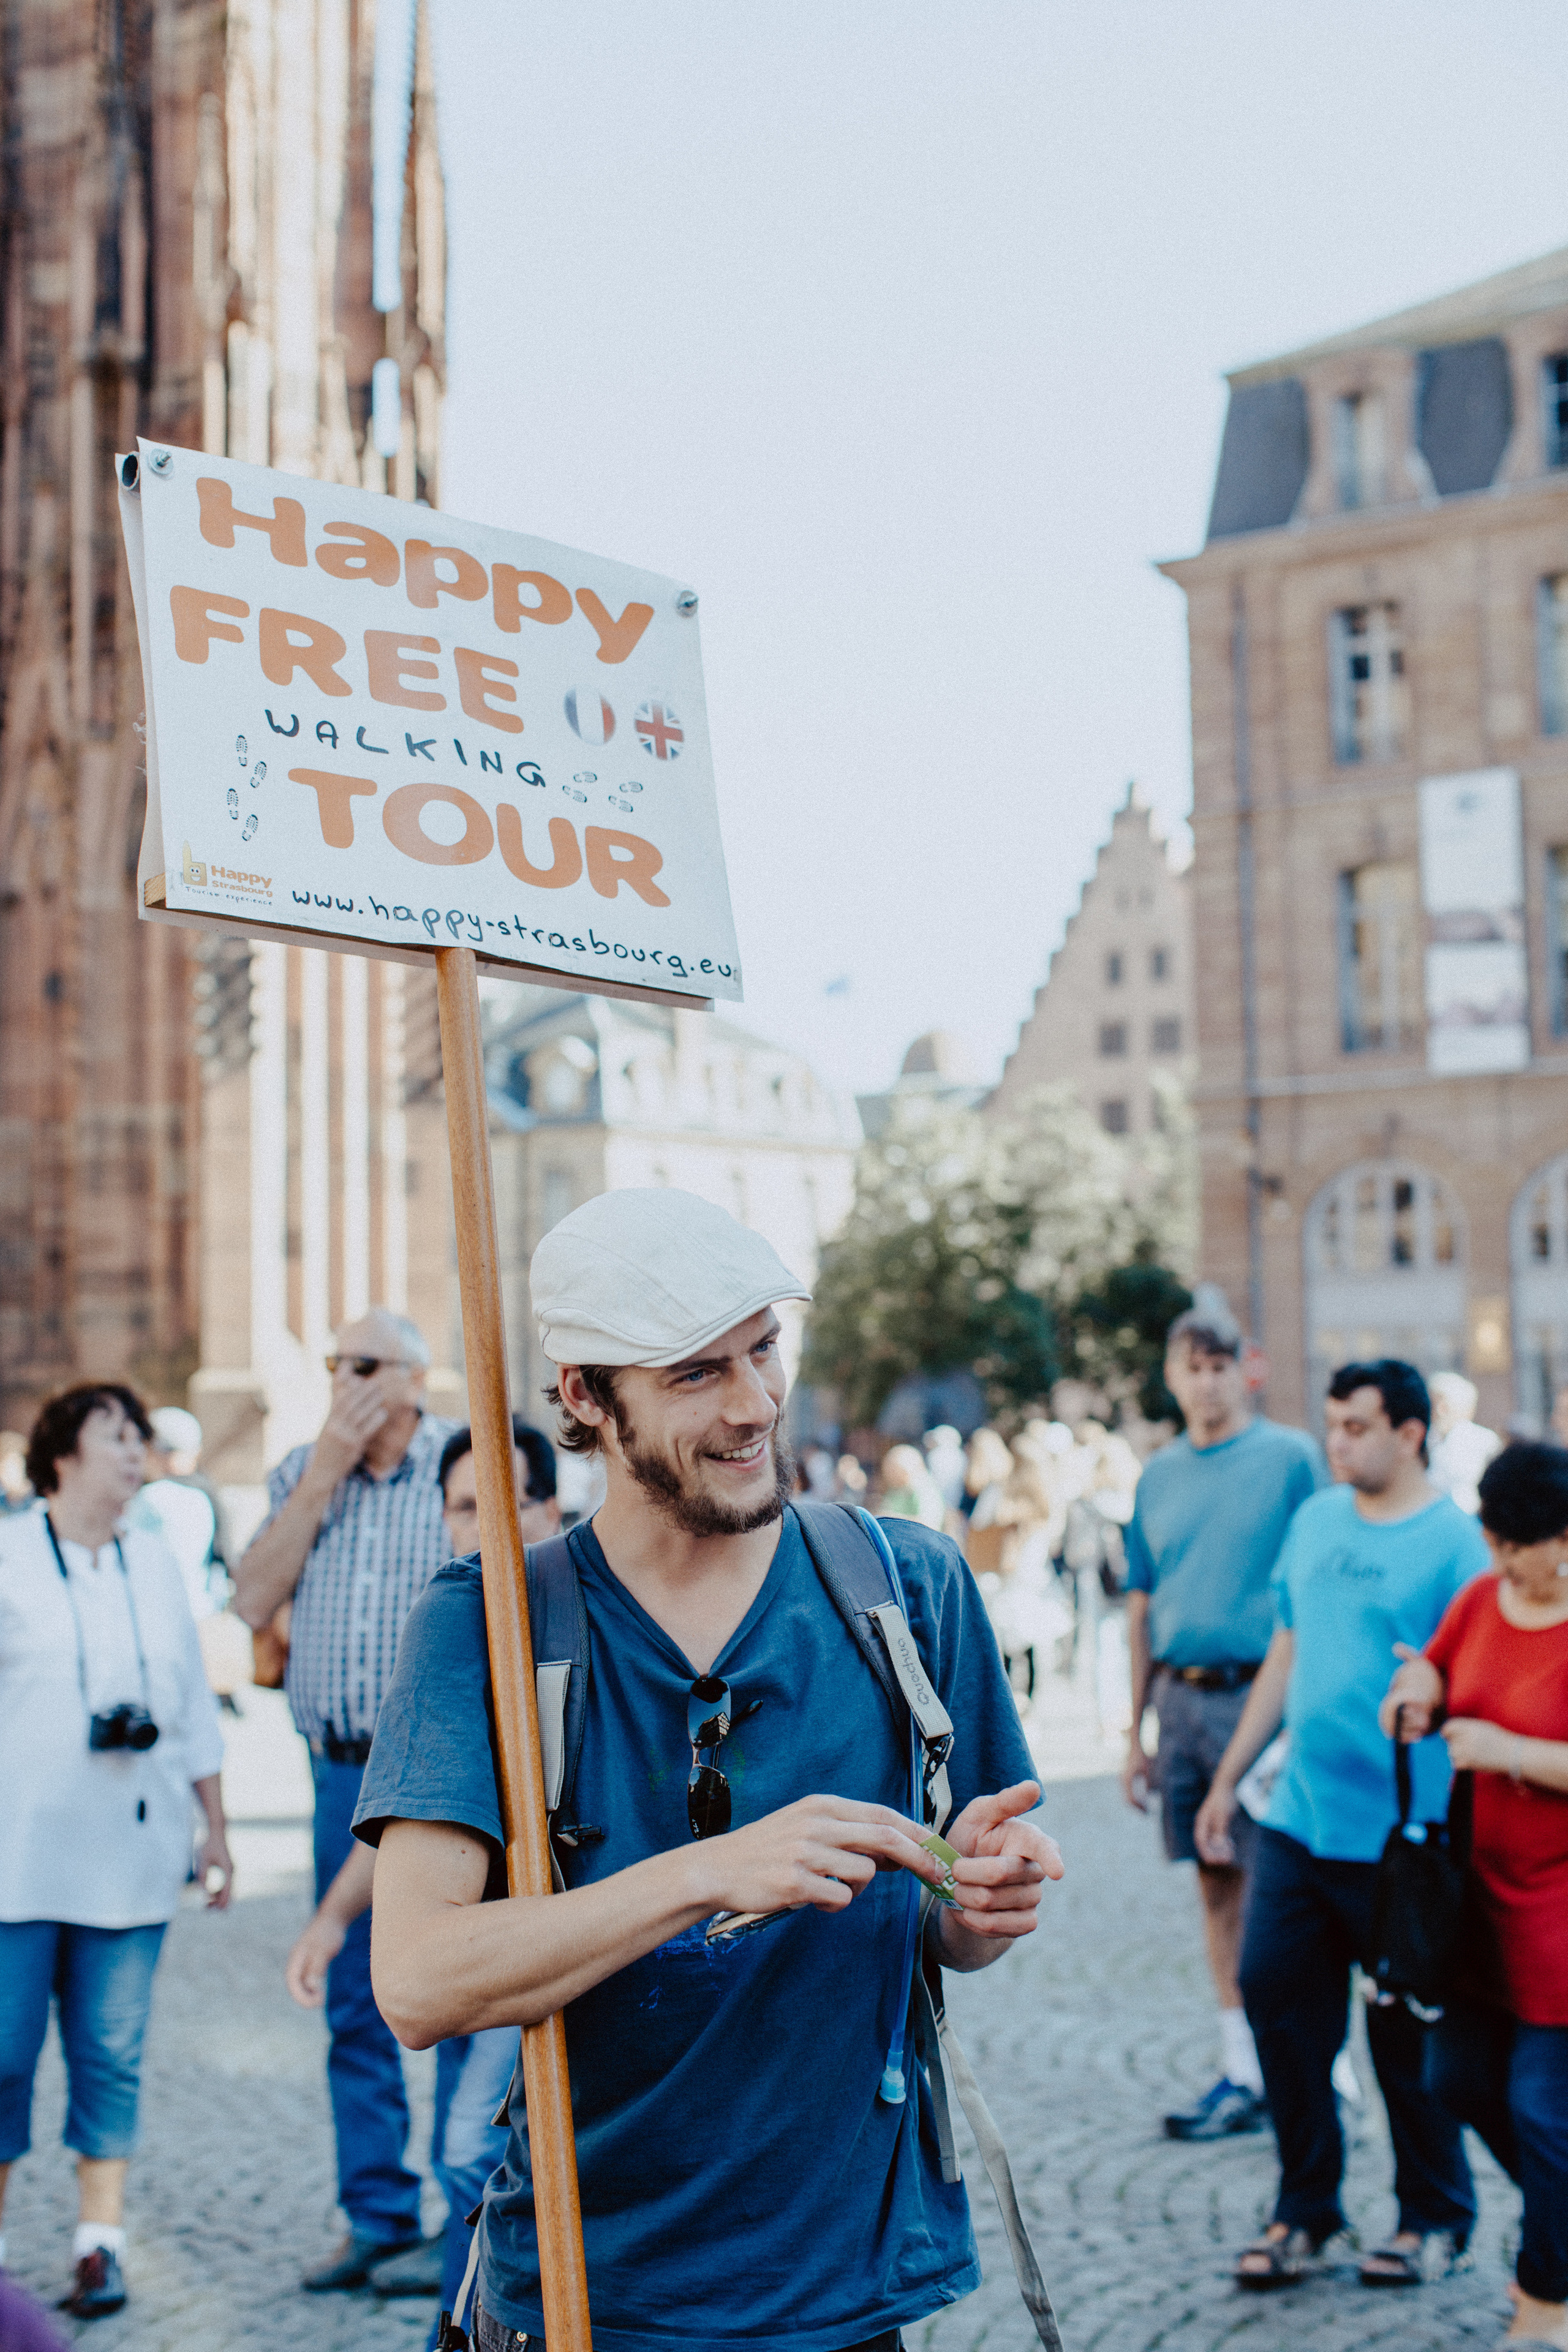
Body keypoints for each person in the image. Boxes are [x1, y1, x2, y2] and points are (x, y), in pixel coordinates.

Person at [355, 1186, 1062, 2351]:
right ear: (585, 1394)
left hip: (846, 2297)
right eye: (696, 1374)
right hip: (594, 2299)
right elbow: (422, 1982)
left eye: (765, 1350)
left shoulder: (909, 1586)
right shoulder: (487, 1624)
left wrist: (979, 1900)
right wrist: (712, 1872)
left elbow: (947, 1933)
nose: (755, 1406)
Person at [1194, 1359, 1489, 2291]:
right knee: (1278, 2005)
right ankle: (1306, 2210)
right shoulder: (1318, 1519)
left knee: (1407, 2045)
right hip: (1299, 1824)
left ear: (1410, 1431)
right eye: (1332, 1426)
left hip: (1406, 1842)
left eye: (1358, 1427)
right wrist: (1230, 1775)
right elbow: (1288, 1648)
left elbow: (1471, 1686)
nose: (1339, 1443)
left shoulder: (1457, 1547)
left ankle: (1432, 2218)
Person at [286, 1415, 560, 2334]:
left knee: (471, 2144)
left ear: (551, 1506)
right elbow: (411, 1820)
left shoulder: (583, 1615)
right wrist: (330, 1922)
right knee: (467, 2144)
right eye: (464, 1507)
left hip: (574, 1947)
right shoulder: (452, 1627)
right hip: (474, 1942)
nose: (485, 1523)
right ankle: (465, 2311)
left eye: (509, 1503)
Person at [233, 1308, 459, 2294]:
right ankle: (377, 2215)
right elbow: (250, 1598)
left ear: (414, 1378)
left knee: (464, 1988)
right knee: (356, 2005)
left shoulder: (460, 1468)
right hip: (338, 1772)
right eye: (334, 1365)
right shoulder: (300, 1472)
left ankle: (469, 2226)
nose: (345, 1382)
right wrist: (321, 1472)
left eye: (363, 1365)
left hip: (447, 1776)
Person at [0, 1384, 232, 2320]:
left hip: (131, 1858)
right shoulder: (10, 1556)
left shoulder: (156, 1564)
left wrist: (214, 1825)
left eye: (141, 1436)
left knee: (111, 2054)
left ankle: (100, 2245)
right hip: (16, 1861)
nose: (135, 1452)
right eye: (115, 1436)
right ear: (63, 1454)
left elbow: (188, 1705)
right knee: (4, 2060)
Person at [1382, 1439, 1568, 2352]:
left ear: (1562, 1538)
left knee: (1544, 2103)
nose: (1496, 1558)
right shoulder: (1482, 1599)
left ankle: (1545, 2300)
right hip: (1477, 1902)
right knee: (1453, 2075)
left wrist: (1512, 1754)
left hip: (1562, 1908)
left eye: (1513, 1544)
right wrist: (1414, 1690)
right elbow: (1436, 1663)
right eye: (1492, 1538)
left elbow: (1502, 1737)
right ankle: (1560, 2221)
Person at [1121, 1302, 1323, 2139]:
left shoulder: (1290, 1460)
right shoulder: (1158, 1474)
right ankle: (1243, 2067)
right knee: (1216, 1885)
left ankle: (1308, 2061)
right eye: (1190, 1367)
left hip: (1264, 1697)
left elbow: (1312, 1593)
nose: (1205, 1383)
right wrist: (1132, 1731)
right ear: (1172, 1377)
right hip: (1182, 1695)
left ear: (1247, 1368)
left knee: (1285, 1883)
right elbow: (1141, 1603)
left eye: (1219, 1365)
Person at [1427, 1372, 1501, 1517]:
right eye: (1435, 1404)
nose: (1439, 1411)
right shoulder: (1423, 1442)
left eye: (1445, 1404)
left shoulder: (1484, 1441)